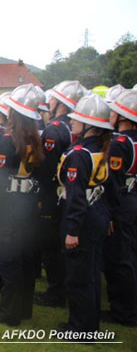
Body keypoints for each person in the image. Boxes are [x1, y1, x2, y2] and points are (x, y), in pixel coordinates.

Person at [0, 84, 44, 326]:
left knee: (9, 262)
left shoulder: (9, 140)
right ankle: (24, 309)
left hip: (10, 206)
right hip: (28, 204)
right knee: (27, 261)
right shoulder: (35, 139)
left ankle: (9, 314)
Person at [57, 92, 112, 334]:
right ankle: (86, 323)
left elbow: (77, 197)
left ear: (89, 124)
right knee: (90, 274)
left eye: (77, 118)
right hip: (97, 212)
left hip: (83, 219)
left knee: (79, 277)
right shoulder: (100, 147)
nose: (71, 121)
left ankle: (81, 328)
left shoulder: (79, 153)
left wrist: (72, 230)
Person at [33, 80, 87, 308]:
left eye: (53, 99)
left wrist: (41, 196)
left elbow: (47, 168)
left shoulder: (55, 129)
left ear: (62, 102)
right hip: (65, 193)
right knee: (57, 245)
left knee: (50, 247)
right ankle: (60, 288)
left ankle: (56, 293)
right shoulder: (70, 126)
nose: (50, 102)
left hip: (51, 194)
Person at [103, 89, 137, 326]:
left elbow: (113, 183)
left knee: (119, 259)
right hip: (132, 197)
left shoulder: (120, 143)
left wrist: (110, 214)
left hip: (122, 202)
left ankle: (124, 311)